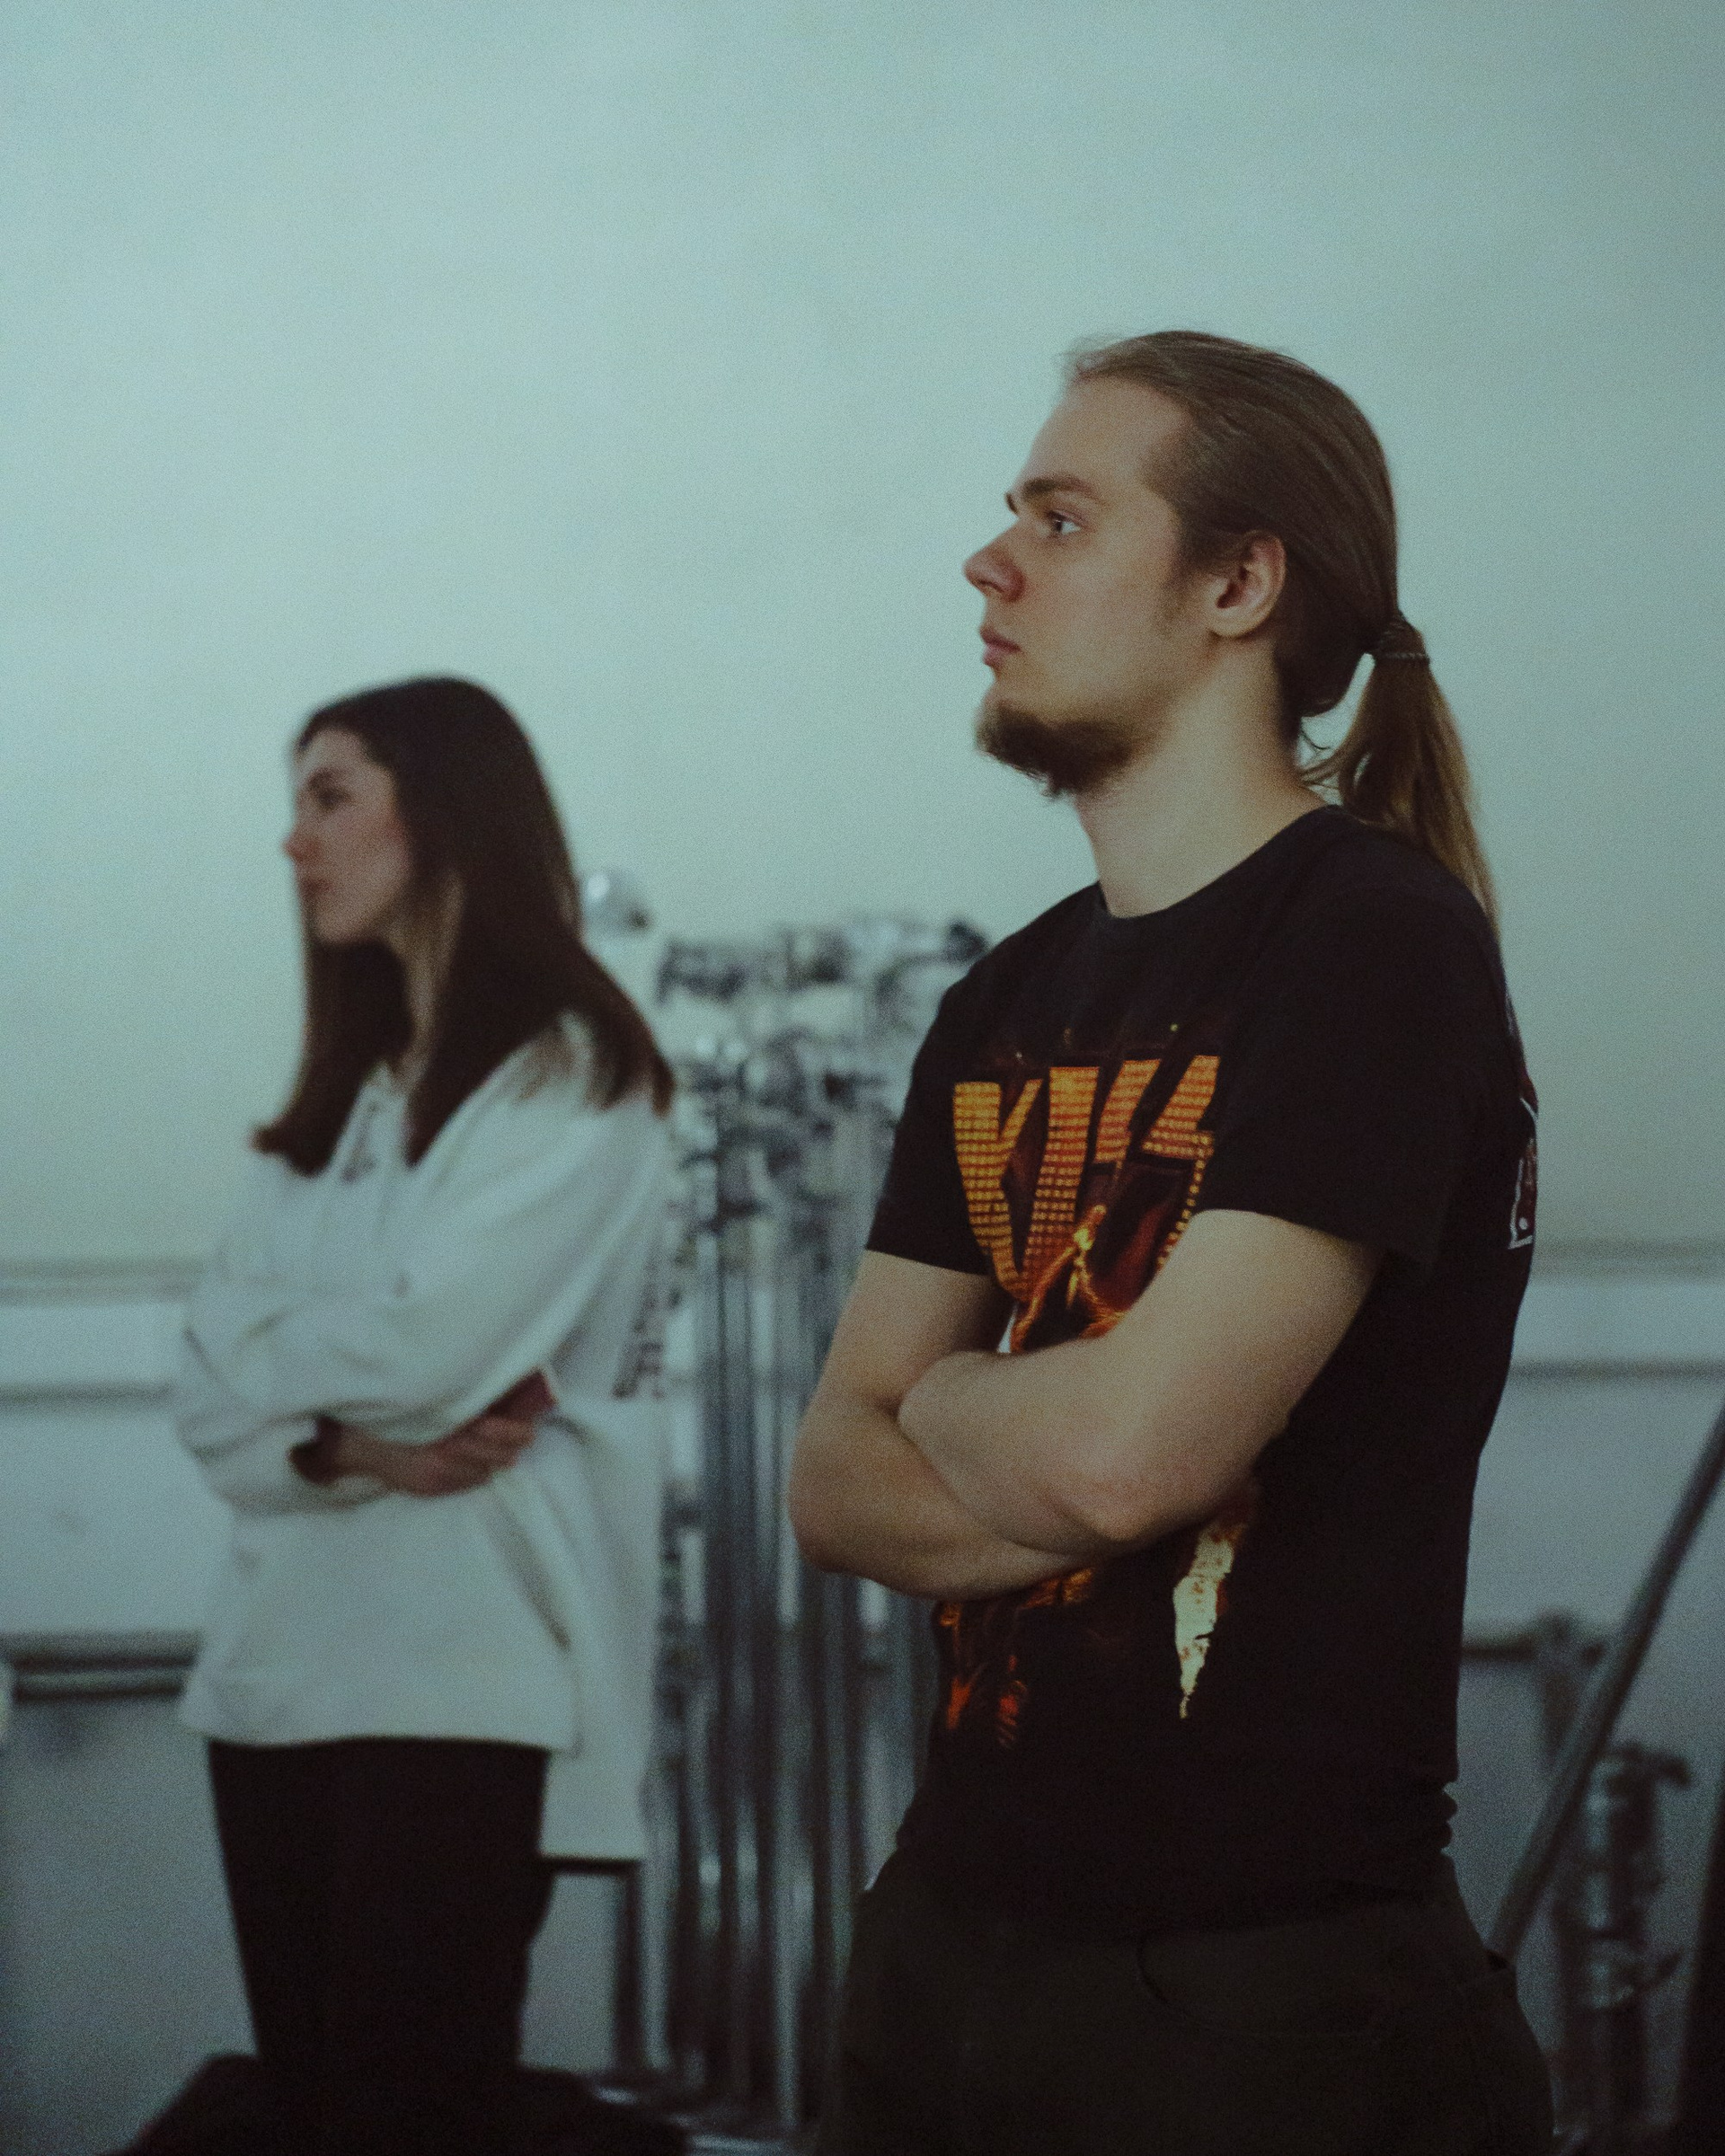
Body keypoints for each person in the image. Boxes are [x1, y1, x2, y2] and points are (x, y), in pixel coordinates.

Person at [789, 331, 1553, 2153]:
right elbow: (827, 1486)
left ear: (1237, 585)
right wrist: (1050, 1425)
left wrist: (947, 1395)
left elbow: (1137, 1463)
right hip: (945, 1938)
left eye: (1061, 520)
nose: (991, 564)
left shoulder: (1372, 947)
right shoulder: (1003, 1000)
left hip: (1254, 1993)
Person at [172, 676, 675, 2156]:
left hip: (455, 1682)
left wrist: (287, 1373)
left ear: (445, 815)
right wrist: (341, 1446)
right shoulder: (347, 1094)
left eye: (331, 797)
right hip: (273, 1680)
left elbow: (427, 1356)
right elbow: (202, 1389)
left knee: (409, 2116)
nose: (296, 842)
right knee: (313, 2117)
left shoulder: (578, 1079)